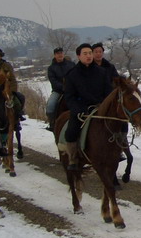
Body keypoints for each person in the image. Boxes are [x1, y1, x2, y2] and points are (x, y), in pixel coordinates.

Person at [62, 43, 113, 171]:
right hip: (81, 109)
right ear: (78, 56)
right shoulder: (72, 74)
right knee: (71, 131)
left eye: (90, 53)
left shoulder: (102, 72)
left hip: (100, 108)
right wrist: (77, 110)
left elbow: (108, 92)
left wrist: (105, 105)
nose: (89, 56)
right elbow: (69, 96)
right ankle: (73, 158)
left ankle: (118, 150)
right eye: (85, 54)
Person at [0, 48, 26, 122]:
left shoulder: (7, 65)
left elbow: (12, 79)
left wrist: (13, 91)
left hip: (6, 89)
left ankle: (18, 117)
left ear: (0, 56)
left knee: (20, 98)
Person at [46, 47, 75, 131]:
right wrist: (64, 88)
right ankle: (52, 123)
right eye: (58, 53)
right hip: (58, 91)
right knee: (50, 106)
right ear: (55, 55)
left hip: (72, 90)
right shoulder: (51, 68)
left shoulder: (71, 64)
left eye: (61, 53)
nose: (60, 55)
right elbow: (53, 81)